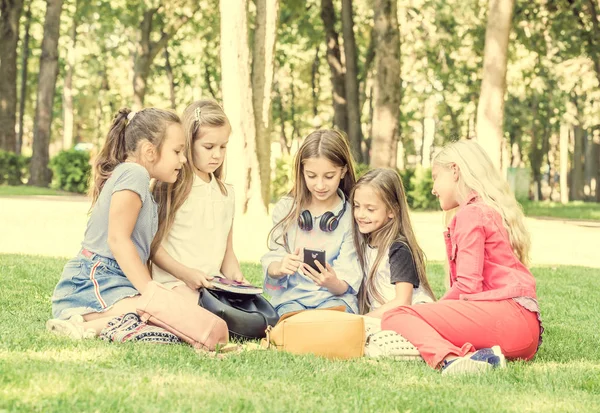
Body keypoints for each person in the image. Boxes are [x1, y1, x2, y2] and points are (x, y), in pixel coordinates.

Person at [381, 139, 542, 375]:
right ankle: (482, 358)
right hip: (524, 332)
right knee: (418, 316)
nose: (433, 188)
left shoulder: (471, 214)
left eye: (436, 177)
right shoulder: (488, 209)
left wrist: (432, 314)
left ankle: (450, 359)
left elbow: (468, 286)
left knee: (397, 315)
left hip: (507, 321)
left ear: (455, 171)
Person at [47, 108, 187, 343]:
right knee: (163, 312)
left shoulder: (142, 184)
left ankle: (86, 324)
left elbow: (147, 248)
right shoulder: (134, 174)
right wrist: (151, 292)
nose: (183, 159)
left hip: (116, 284)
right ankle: (79, 326)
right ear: (149, 151)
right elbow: (118, 240)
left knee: (174, 312)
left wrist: (186, 277)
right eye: (177, 151)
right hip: (93, 282)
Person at [151, 100, 245, 305]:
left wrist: (237, 278)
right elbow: (153, 246)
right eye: (209, 147)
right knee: (207, 318)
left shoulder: (226, 193)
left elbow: (227, 253)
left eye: (223, 146)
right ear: (188, 142)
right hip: (175, 284)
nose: (217, 155)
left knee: (260, 319)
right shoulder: (172, 185)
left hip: (213, 286)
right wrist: (186, 274)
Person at [261, 129, 362, 316]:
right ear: (302, 172)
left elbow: (347, 275)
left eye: (329, 176)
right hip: (291, 298)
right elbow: (273, 260)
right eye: (312, 176)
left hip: (334, 299)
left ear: (343, 171)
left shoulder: (351, 216)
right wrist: (280, 266)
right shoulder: (286, 209)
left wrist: (333, 282)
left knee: (328, 322)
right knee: (290, 322)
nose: (320, 185)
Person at [351, 168, 435, 318]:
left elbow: (402, 302)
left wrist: (364, 320)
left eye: (370, 209)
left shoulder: (399, 249)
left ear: (392, 210)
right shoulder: (365, 244)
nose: (360, 214)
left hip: (412, 316)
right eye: (356, 206)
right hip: (386, 318)